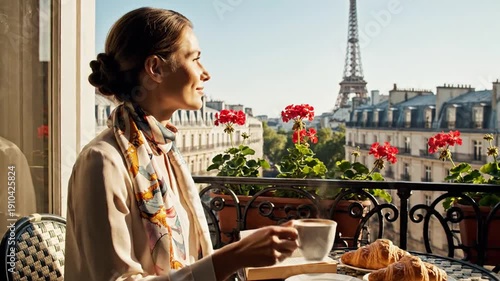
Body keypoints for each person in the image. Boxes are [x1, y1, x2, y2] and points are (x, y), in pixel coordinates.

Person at [64, 7, 298, 281]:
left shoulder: (163, 152)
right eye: (195, 59)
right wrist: (233, 257)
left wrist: (243, 252)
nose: (205, 73)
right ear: (155, 68)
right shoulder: (103, 162)